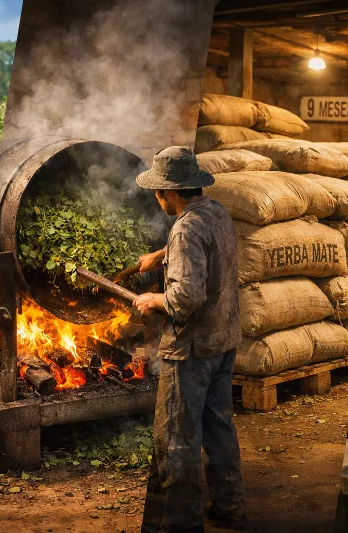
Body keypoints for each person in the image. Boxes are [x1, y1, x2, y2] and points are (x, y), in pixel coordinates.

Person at [132, 146, 246, 533]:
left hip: (192, 348)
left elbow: (187, 297)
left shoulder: (184, 228)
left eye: (158, 192)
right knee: (219, 427)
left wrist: (154, 299)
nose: (156, 198)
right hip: (224, 338)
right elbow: (202, 246)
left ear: (171, 191)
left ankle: (183, 521)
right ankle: (229, 506)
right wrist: (161, 255)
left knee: (177, 436)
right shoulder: (217, 212)